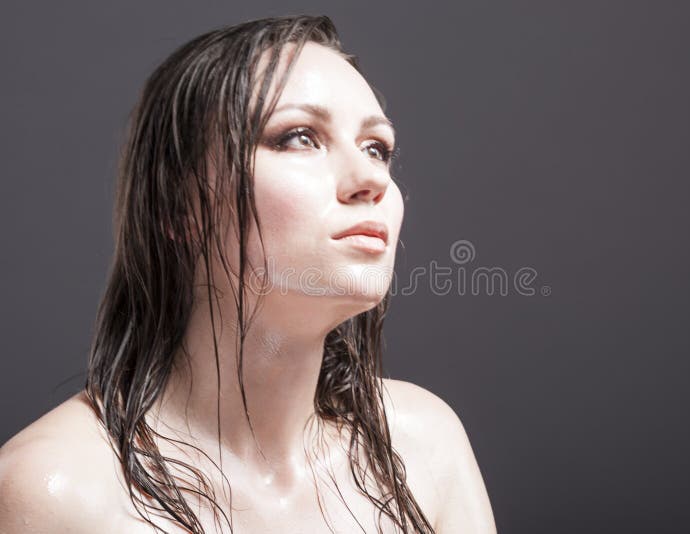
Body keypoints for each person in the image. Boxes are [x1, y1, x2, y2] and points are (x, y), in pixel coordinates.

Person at [0, 15, 496, 534]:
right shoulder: (56, 491)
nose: (371, 177)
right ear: (177, 207)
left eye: (378, 148)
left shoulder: (423, 449)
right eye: (299, 137)